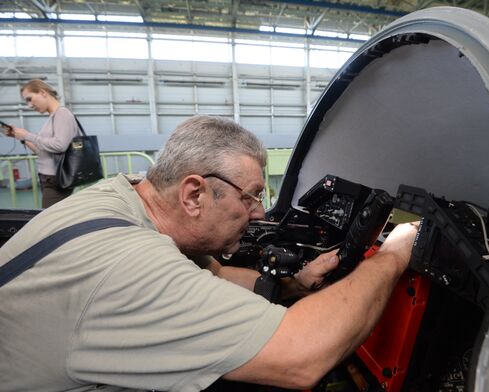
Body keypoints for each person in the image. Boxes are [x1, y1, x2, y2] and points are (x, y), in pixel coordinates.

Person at [0, 115, 417, 391]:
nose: (257, 214)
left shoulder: (123, 193)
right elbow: (301, 357)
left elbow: (212, 272)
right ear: (194, 194)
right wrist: (394, 254)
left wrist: (293, 286)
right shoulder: (132, 268)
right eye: (251, 198)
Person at [4, 79, 79, 208]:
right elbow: (41, 151)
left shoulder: (62, 114)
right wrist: (22, 138)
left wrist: (27, 135)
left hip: (56, 180)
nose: (29, 105)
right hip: (49, 179)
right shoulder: (52, 117)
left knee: (49, 221)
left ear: (43, 92)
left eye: (29, 99)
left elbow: (59, 145)